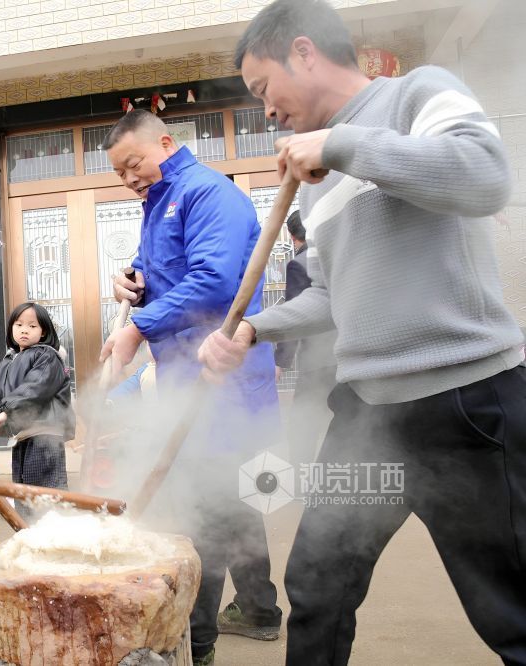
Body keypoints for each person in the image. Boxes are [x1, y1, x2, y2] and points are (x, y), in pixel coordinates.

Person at [197, 0, 526, 662]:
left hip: (465, 406)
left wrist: (342, 143)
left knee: (509, 607)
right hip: (367, 421)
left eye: (264, 89)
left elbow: (486, 177)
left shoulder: (417, 94)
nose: (265, 110)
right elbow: (329, 296)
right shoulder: (314, 186)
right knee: (317, 589)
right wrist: (254, 330)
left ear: (302, 52)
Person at [100, 109, 283, 666]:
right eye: (120, 172)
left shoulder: (208, 193)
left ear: (165, 142)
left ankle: (196, 643)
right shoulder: (158, 203)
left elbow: (214, 283)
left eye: (134, 163)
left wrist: (138, 328)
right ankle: (257, 610)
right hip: (188, 377)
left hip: (224, 382)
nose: (130, 177)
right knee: (238, 503)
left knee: (205, 511)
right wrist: (132, 281)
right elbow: (162, 268)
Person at [0, 302, 74, 521]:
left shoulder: (48, 356)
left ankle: (52, 541)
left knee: (44, 495)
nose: (24, 330)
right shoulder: (8, 361)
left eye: (32, 326)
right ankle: (29, 536)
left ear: (43, 332)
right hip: (22, 435)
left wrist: (6, 414)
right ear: (11, 328)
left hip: (45, 435)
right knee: (23, 492)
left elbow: (34, 389)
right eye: (19, 324)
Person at [273, 210, 337, 469]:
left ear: (291, 236)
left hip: (318, 361)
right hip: (348, 358)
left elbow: (295, 317)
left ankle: (301, 481)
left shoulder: (300, 264)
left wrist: (281, 362)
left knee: (302, 425)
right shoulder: (336, 256)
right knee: (344, 421)